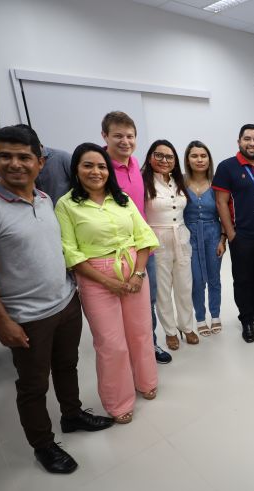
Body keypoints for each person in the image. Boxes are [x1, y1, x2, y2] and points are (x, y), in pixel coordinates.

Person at [0, 126, 114, 475]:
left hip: (65, 302)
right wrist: (2, 321)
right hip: (26, 315)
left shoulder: (44, 200)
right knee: (32, 385)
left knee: (67, 365)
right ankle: (43, 444)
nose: (16, 163)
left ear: (39, 162)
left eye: (24, 156)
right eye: (6, 156)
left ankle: (72, 415)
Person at [55, 143, 159, 425]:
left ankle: (146, 380)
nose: (96, 171)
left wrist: (138, 274)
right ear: (76, 170)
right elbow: (70, 252)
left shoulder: (122, 198)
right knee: (111, 343)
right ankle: (118, 401)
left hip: (133, 271)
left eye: (101, 166)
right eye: (87, 165)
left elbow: (144, 237)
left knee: (140, 332)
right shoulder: (66, 205)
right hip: (95, 278)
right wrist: (107, 281)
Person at [101, 111, 172, 364]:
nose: (125, 141)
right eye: (118, 136)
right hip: (112, 253)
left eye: (130, 136)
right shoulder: (101, 170)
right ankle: (125, 354)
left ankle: (148, 347)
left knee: (146, 302)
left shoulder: (136, 167)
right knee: (116, 309)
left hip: (143, 249)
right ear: (105, 136)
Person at [212, 124, 254, 343]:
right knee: (242, 279)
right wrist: (231, 235)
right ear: (239, 141)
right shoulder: (226, 167)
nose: (252, 143)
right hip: (242, 236)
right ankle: (246, 319)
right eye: (247, 139)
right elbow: (221, 202)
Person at [142, 139, 197, 350]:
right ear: (150, 157)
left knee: (184, 285)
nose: (164, 160)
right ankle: (170, 331)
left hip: (181, 236)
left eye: (170, 156)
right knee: (163, 289)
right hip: (157, 238)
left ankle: (187, 325)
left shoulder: (179, 181)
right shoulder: (143, 181)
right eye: (159, 155)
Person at [183, 140, 225, 337]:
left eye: (203, 155)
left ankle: (215, 315)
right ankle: (200, 317)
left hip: (213, 233)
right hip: (188, 236)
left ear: (209, 159)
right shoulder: (180, 182)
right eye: (194, 156)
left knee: (214, 278)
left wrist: (223, 239)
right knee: (197, 280)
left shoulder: (217, 183)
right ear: (188, 159)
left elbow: (225, 212)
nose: (199, 160)